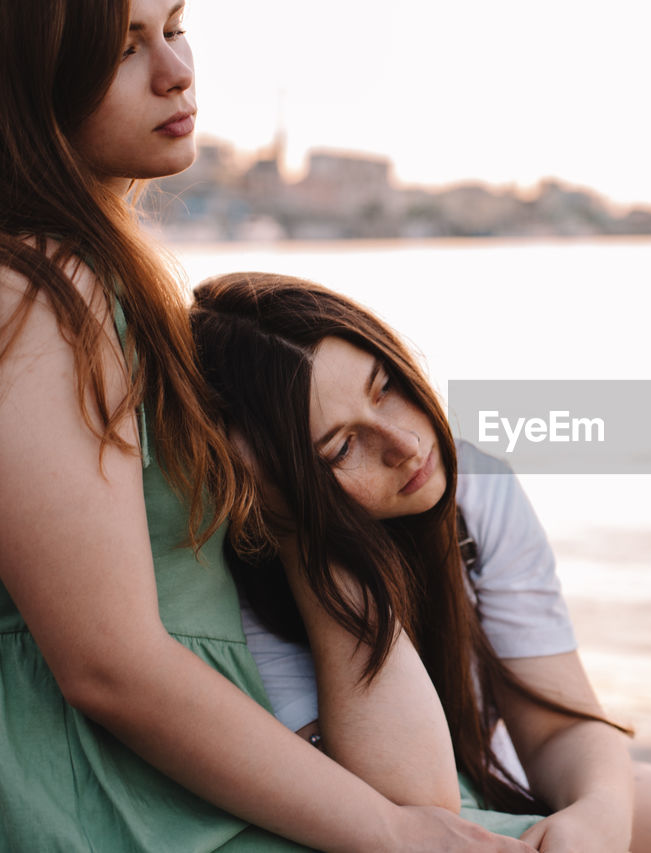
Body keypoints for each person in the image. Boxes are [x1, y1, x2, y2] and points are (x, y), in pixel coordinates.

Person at [0, 1, 536, 849]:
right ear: (30, 77)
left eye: (175, 28)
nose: (176, 72)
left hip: (184, 774)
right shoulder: (42, 288)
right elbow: (108, 663)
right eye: (122, 49)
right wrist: (392, 833)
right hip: (108, 800)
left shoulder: (101, 285)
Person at [190, 272, 651, 853]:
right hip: (394, 819)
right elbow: (417, 799)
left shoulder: (476, 487)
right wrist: (315, 533)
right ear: (271, 484)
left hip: (505, 781)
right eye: (341, 447)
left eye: (384, 388)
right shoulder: (248, 573)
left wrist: (600, 816)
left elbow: (557, 717)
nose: (404, 442)